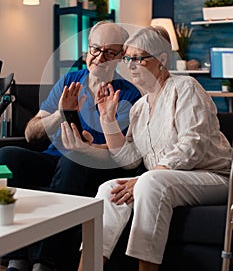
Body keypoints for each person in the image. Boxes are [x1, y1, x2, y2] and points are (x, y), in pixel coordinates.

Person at [63, 26, 232, 271]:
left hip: (215, 177)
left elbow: (192, 144)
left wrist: (149, 176)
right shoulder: (139, 107)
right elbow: (130, 158)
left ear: (161, 60)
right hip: (166, 178)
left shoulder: (185, 87)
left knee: (149, 183)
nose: (130, 65)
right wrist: (107, 119)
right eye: (127, 58)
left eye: (138, 58)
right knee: (109, 188)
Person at [0, 21, 142, 271]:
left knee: (73, 160)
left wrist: (86, 148)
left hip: (95, 169)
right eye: (95, 49)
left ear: (121, 56)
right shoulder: (70, 80)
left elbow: (121, 154)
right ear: (88, 50)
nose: (99, 57)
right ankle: (17, 256)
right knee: (7, 156)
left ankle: (45, 262)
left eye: (109, 52)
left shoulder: (128, 95)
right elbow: (32, 135)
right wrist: (61, 114)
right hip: (56, 160)